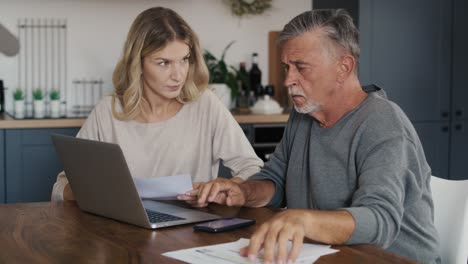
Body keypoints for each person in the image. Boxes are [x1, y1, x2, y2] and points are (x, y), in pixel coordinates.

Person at [192, 9, 441, 264]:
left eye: (301, 67)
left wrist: (303, 220)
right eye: (287, 67)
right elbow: (276, 181)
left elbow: (380, 220)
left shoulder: (382, 122)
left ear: (343, 67)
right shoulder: (304, 115)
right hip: (329, 255)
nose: (289, 80)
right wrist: (243, 191)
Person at [51, 7, 263, 203]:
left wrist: (230, 186)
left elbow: (252, 168)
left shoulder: (205, 105)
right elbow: (61, 186)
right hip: (123, 231)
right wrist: (97, 193)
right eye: (164, 63)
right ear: (138, 63)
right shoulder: (109, 112)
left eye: (184, 60)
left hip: (193, 230)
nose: (178, 75)